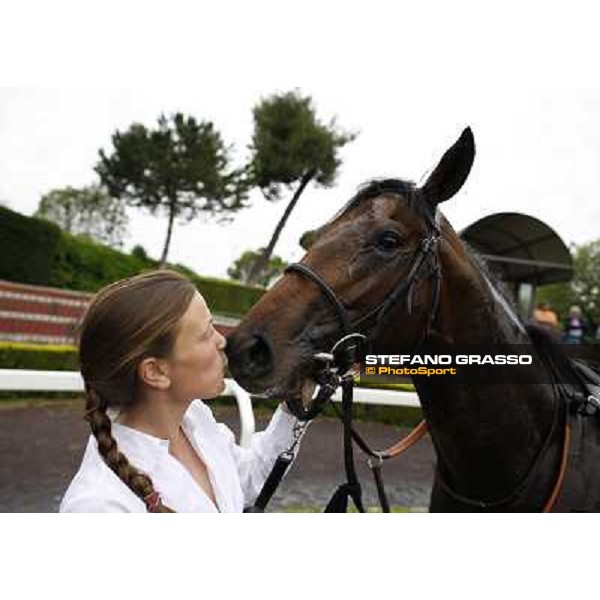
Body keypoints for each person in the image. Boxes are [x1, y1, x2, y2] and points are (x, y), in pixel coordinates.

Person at [60, 270, 302, 513]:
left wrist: (294, 406)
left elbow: (248, 481)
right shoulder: (98, 505)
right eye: (207, 333)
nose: (222, 341)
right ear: (155, 372)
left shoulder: (193, 417)